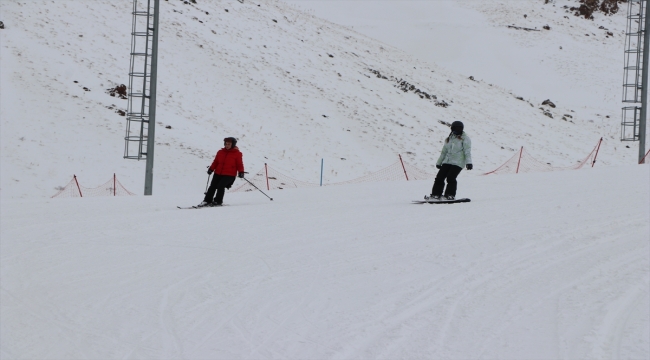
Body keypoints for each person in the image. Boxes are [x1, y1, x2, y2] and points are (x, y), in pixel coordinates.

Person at [427, 121, 472, 201]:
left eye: (460, 128)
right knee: (439, 177)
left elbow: (467, 151)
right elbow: (444, 152)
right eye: (456, 128)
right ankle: (436, 195)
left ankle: (450, 195)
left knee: (451, 178)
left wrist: (469, 162)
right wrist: (439, 162)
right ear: (452, 128)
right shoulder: (449, 139)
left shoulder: (465, 138)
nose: (458, 129)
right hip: (447, 161)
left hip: (458, 162)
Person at [198, 137, 245, 207]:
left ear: (233, 144)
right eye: (226, 144)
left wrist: (241, 172)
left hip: (229, 174)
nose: (227, 145)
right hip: (218, 172)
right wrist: (211, 169)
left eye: (229, 144)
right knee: (212, 186)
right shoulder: (220, 152)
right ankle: (207, 201)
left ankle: (218, 201)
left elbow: (239, 164)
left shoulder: (237, 154)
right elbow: (216, 162)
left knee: (220, 186)